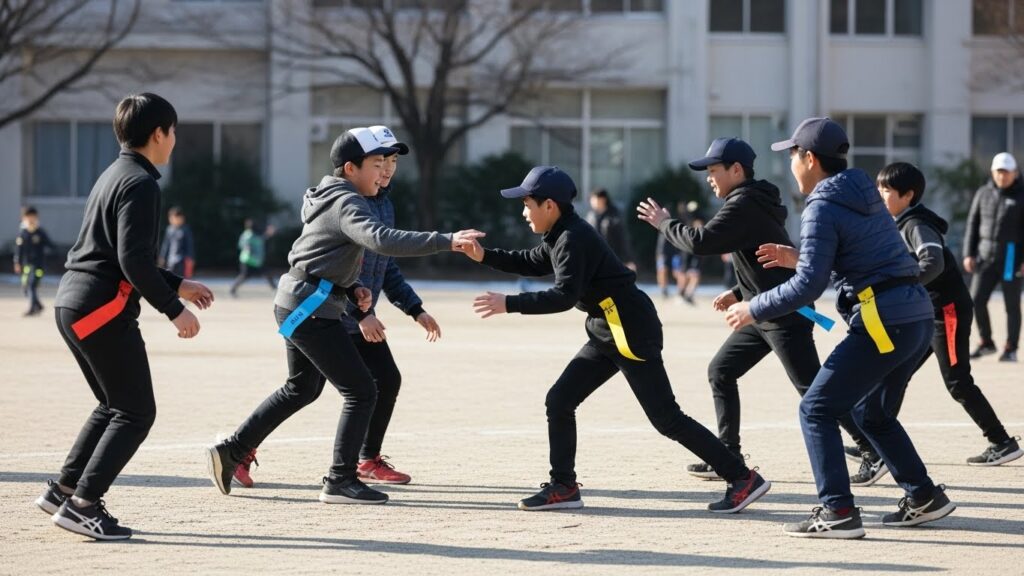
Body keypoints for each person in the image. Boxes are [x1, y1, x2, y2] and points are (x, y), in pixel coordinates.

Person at [457, 165, 770, 514]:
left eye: (527, 203)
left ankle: (742, 479)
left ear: (549, 206)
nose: (523, 211)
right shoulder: (561, 234)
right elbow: (533, 262)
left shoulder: (573, 238)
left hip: (629, 330)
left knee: (666, 418)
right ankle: (564, 486)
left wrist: (509, 304)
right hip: (609, 329)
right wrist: (484, 255)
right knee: (559, 400)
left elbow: (562, 296)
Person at [205, 127, 483, 505]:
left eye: (391, 162)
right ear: (350, 167)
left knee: (302, 388)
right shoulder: (347, 201)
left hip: (303, 301)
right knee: (362, 390)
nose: (385, 171)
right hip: (308, 308)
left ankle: (232, 451)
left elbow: (324, 257)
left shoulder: (343, 196)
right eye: (377, 163)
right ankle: (340, 480)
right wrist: (446, 240)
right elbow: (381, 240)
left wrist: (352, 291)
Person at [727, 117, 955, 539]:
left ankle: (838, 512)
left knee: (816, 408)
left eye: (793, 155)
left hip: (881, 322)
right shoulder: (863, 192)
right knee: (874, 413)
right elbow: (859, 256)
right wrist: (798, 257)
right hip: (915, 317)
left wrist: (753, 307)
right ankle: (924, 498)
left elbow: (809, 285)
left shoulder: (822, 206)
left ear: (810, 158)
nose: (791, 164)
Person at [36, 93, 215, 540]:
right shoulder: (141, 184)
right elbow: (132, 262)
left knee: (113, 405)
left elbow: (120, 254)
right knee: (136, 412)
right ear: (158, 134)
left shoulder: (115, 174)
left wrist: (176, 284)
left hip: (73, 301)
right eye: (173, 132)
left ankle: (64, 490)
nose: (174, 140)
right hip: (100, 307)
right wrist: (175, 310)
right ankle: (83, 505)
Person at [637, 137, 863, 481]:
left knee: (815, 392)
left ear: (736, 170)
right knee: (721, 372)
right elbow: (759, 262)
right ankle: (728, 454)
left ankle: (871, 448)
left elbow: (702, 243)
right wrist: (735, 290)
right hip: (762, 311)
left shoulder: (744, 204)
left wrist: (664, 223)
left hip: (785, 312)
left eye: (714, 171)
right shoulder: (751, 201)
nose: (709, 178)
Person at [862, 162, 1021, 466]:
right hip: (926, 314)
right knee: (895, 371)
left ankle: (1001, 442)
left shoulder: (916, 225)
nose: (880, 195)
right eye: (878, 188)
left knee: (957, 381)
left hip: (947, 313)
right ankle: (876, 443)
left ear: (908, 195)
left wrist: (901, 287)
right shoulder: (902, 222)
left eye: (887, 190)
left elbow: (931, 262)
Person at [962, 152, 1023, 362]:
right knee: (975, 300)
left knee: (1011, 305)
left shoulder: (1021, 195)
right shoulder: (983, 193)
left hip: (1011, 257)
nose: (1002, 176)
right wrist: (968, 253)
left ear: (1015, 173)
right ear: (993, 173)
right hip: (984, 255)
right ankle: (986, 342)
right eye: (999, 172)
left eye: (1007, 172)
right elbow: (973, 224)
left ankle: (1011, 347)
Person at [14, 206, 56, 316]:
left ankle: (32, 309)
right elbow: (19, 250)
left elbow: (50, 245)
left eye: (32, 217)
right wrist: (17, 262)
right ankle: (38, 304)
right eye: (28, 217)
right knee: (25, 288)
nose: (30, 219)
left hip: (38, 266)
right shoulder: (23, 233)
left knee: (32, 285)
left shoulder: (40, 232)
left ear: (36, 217)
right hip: (26, 266)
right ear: (24, 218)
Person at [586, 188, 636, 270]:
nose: (592, 202)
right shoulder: (591, 216)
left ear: (602, 199)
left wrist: (627, 259)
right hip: (595, 259)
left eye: (594, 199)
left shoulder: (614, 216)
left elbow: (622, 239)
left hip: (612, 258)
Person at [228, 218, 277, 296]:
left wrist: (268, 233)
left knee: (266, 274)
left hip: (256, 261)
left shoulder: (256, 234)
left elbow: (262, 238)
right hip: (248, 260)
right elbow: (243, 244)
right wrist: (247, 247)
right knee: (244, 276)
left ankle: (275, 289)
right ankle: (232, 289)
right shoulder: (248, 235)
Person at [158, 206, 194, 278]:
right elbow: (166, 245)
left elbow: (189, 246)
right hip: (171, 260)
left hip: (182, 261)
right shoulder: (169, 230)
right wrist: (162, 257)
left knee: (182, 279)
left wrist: (190, 259)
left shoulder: (185, 230)